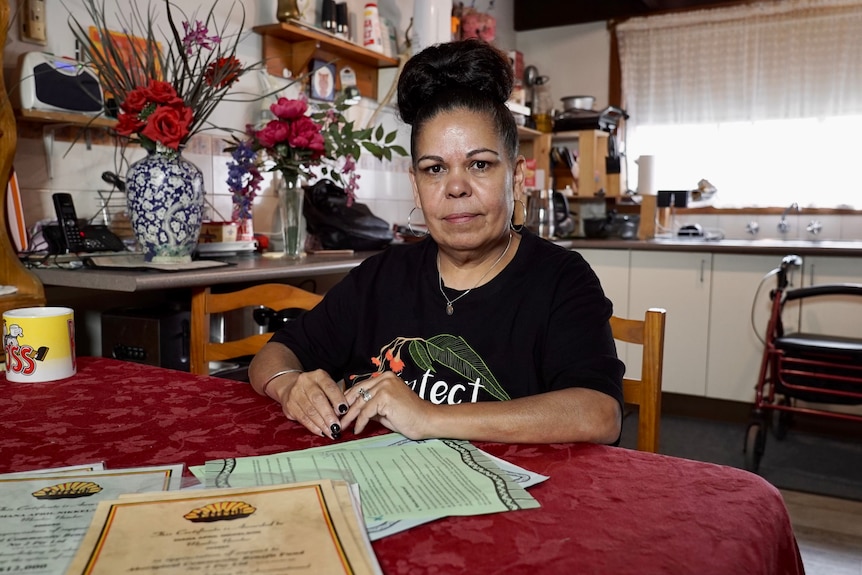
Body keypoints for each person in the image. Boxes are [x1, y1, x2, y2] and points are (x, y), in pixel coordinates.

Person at [248, 39, 624, 445]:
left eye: (479, 165)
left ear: (516, 177)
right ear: (415, 184)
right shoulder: (381, 276)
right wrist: (289, 386)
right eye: (434, 169)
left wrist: (429, 417)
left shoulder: (560, 280)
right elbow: (274, 355)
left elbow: (599, 413)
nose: (456, 187)